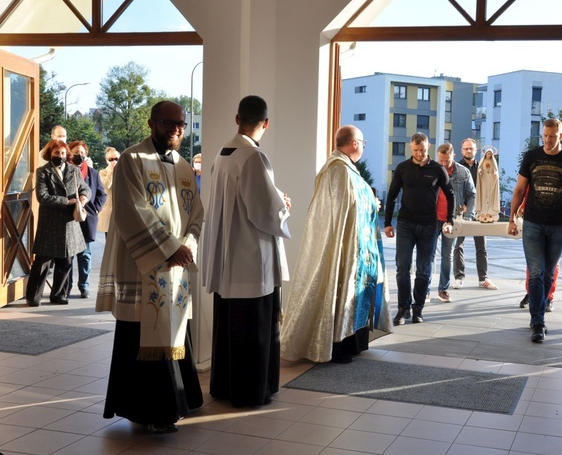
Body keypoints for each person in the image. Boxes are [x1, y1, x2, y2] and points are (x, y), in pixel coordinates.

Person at [95, 100, 204, 434]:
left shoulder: (185, 166)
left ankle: (178, 400)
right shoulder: (132, 159)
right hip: (143, 266)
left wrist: (186, 247)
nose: (176, 129)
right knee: (140, 331)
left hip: (175, 266)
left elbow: (197, 215)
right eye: (168, 122)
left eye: (181, 124)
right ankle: (146, 409)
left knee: (174, 330)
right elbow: (131, 211)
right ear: (152, 123)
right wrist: (170, 248)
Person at [202, 95, 291, 407]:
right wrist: (284, 206)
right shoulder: (253, 157)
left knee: (230, 324)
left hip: (228, 257)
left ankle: (226, 386)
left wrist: (273, 199)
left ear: (237, 118)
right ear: (265, 123)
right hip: (250, 257)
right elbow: (264, 211)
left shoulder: (223, 154)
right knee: (253, 327)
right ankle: (250, 392)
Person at [281, 125, 392, 363]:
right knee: (341, 287)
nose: (363, 147)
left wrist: (372, 202)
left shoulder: (347, 169)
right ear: (354, 143)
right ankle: (339, 345)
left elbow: (355, 204)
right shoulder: (338, 170)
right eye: (362, 142)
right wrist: (371, 202)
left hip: (357, 246)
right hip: (343, 248)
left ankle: (354, 342)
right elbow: (341, 211)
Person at [508, 117, 562, 343]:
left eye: (553, 136)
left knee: (549, 274)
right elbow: (520, 189)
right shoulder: (531, 157)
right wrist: (511, 218)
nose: (548, 140)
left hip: (558, 225)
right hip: (532, 223)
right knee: (536, 273)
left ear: (561, 136)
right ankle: (538, 322)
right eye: (545, 136)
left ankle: (539, 315)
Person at [384, 132, 454, 324]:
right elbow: (391, 196)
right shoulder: (403, 168)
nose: (419, 154)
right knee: (402, 268)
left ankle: (418, 308)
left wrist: (450, 220)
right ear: (410, 148)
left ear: (428, 147)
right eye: (415, 150)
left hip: (429, 226)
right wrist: (388, 223)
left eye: (422, 150)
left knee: (424, 269)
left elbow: (450, 195)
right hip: (405, 224)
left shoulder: (438, 169)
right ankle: (403, 308)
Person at [25, 139, 91, 307]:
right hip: (50, 223)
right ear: (50, 154)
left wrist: (83, 198)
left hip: (69, 223)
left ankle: (59, 295)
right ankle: (33, 297)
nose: (59, 156)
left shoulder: (73, 170)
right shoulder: (42, 172)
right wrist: (67, 201)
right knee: (43, 262)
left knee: (66, 262)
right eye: (56, 153)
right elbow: (42, 196)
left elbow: (86, 189)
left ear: (66, 154)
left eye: (62, 153)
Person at [453, 138, 498, 291]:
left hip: (481, 213)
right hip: (462, 211)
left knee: (481, 246)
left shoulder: (483, 167)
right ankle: (459, 277)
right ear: (461, 150)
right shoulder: (457, 168)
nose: (468, 151)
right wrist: (464, 205)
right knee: (458, 245)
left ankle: (483, 278)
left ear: (476, 150)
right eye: (466, 149)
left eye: (471, 149)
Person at [435, 143, 475, 303]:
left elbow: (472, 194)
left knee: (447, 255)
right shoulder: (434, 170)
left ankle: (443, 289)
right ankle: (425, 290)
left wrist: (468, 217)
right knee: (428, 255)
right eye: (441, 161)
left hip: (451, 219)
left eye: (447, 161)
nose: (444, 164)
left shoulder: (463, 172)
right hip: (432, 218)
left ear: (452, 156)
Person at [67, 141, 106, 298]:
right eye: (76, 151)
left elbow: (102, 194)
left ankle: (84, 285)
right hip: (68, 217)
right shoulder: (66, 171)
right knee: (67, 255)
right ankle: (66, 286)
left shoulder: (92, 172)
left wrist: (95, 209)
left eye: (83, 152)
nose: (80, 154)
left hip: (87, 218)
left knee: (85, 254)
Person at [97, 147, 120, 239]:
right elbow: (106, 185)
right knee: (110, 241)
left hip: (122, 210)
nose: (114, 161)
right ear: (106, 161)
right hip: (109, 211)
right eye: (111, 159)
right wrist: (111, 170)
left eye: (116, 159)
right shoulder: (103, 172)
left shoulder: (124, 171)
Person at [475, 149, 500, 223]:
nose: (489, 155)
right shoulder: (482, 161)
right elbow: (479, 168)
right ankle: (483, 210)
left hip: (491, 179)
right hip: (483, 179)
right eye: (488, 154)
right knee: (483, 194)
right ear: (485, 154)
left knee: (490, 194)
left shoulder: (493, 161)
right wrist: (480, 171)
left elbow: (495, 169)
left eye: (490, 154)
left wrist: (495, 174)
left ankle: (490, 210)